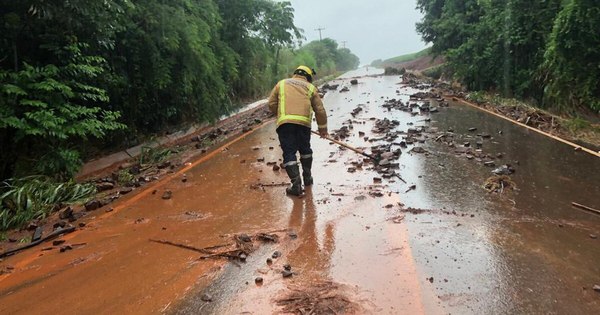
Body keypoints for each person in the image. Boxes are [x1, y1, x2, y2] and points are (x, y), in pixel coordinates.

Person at [268, 66, 328, 196]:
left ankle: (296, 185)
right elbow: (320, 110)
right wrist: (323, 129)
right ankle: (307, 178)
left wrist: (281, 115)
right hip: (303, 124)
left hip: (285, 124)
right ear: (308, 77)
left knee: (289, 153)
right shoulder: (311, 87)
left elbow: (271, 104)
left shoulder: (281, 84)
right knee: (305, 150)